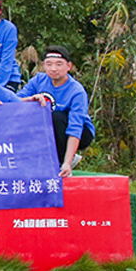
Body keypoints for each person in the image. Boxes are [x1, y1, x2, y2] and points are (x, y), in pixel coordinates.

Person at [19, 46, 94, 176]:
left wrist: (67, 162)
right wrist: (30, 99)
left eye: (59, 64)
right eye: (49, 64)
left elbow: (75, 127)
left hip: (79, 132)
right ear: (43, 66)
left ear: (68, 66)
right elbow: (14, 101)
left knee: (56, 117)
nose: (53, 69)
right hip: (48, 130)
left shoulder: (77, 91)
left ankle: (63, 161)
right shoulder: (38, 80)